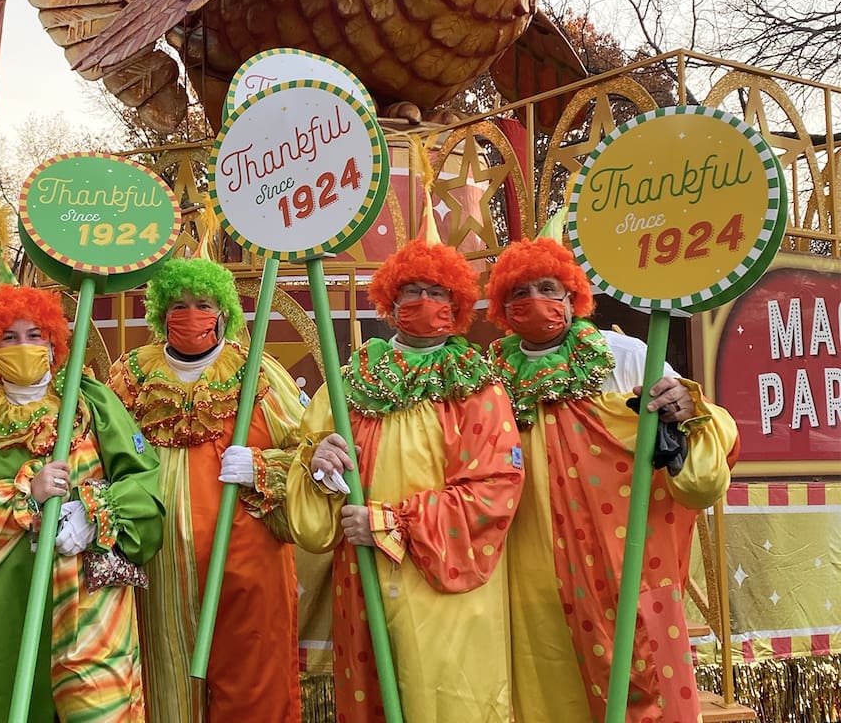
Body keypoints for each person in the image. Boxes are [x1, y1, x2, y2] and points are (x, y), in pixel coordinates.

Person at [484, 237, 738, 723]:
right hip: (529, 569)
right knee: (549, 689)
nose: (534, 300)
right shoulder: (489, 374)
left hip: (625, 564)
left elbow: (698, 429)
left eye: (547, 287)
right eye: (519, 292)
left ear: (572, 296)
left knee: (646, 682)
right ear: (501, 305)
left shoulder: (624, 355)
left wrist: (685, 408)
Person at [286, 238, 524, 723]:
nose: (424, 302)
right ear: (390, 304)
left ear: (456, 306)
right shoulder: (350, 379)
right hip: (364, 579)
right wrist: (318, 463)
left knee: (445, 702)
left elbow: (494, 488)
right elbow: (307, 459)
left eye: (437, 292)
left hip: (444, 587)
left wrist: (389, 522)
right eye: (412, 290)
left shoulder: (478, 384)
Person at [0, 284, 164, 723]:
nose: (23, 346)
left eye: (34, 335)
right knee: (10, 705)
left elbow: (144, 481)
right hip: (3, 599)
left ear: (53, 342)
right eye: (9, 337)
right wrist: (25, 497)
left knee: (99, 707)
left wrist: (96, 513)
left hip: (89, 597)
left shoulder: (91, 402)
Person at [106, 257, 305, 723]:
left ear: (223, 312)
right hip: (159, 570)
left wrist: (262, 467)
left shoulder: (255, 370)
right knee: (165, 687)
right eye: (178, 305)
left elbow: (311, 450)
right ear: (160, 313)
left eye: (202, 304)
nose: (190, 314)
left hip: (247, 564)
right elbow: (98, 451)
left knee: (253, 685)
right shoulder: (131, 374)